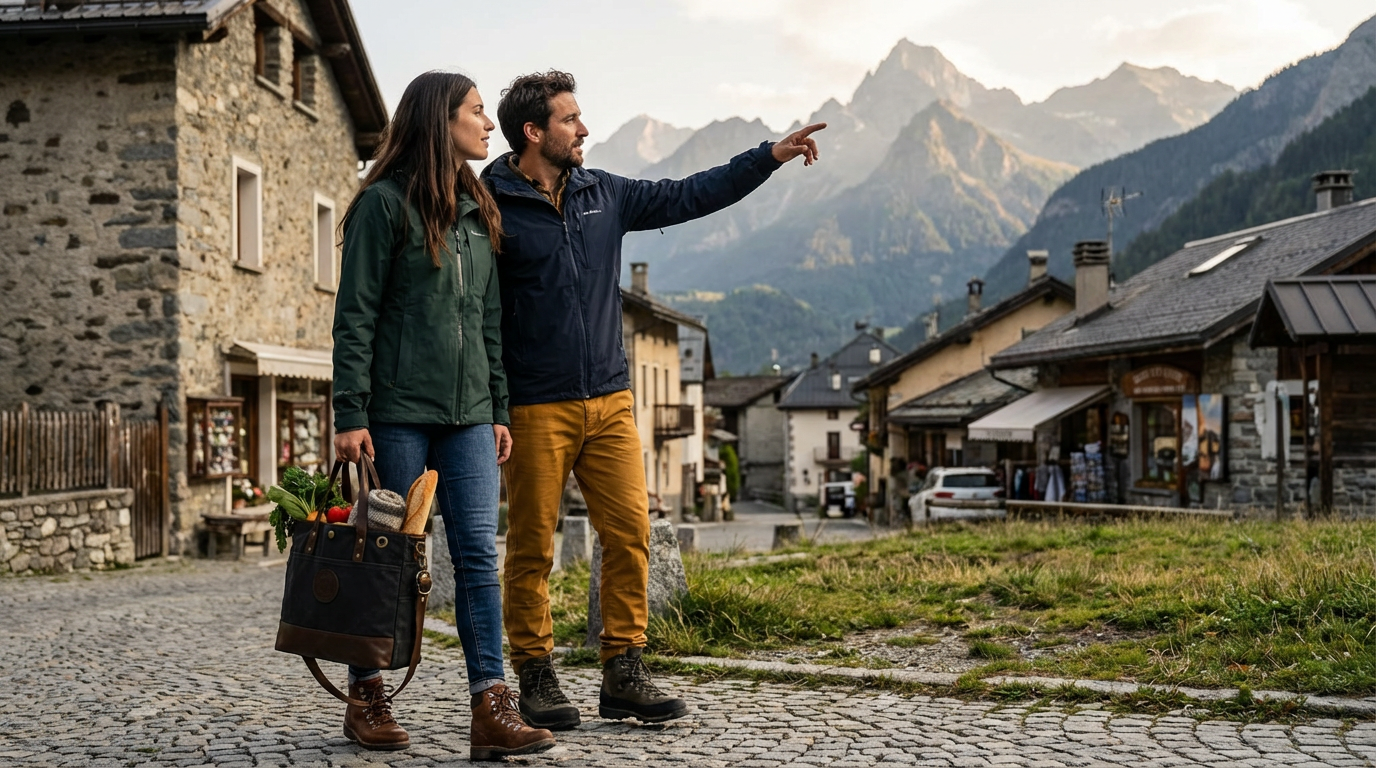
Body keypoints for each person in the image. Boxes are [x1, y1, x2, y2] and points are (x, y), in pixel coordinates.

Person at [482, 70, 824, 730]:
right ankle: (535, 673)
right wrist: (495, 405)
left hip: (611, 400)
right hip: (534, 404)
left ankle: (623, 669)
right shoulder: (489, 204)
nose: (584, 129)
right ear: (533, 132)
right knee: (530, 548)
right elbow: (476, 311)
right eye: (570, 119)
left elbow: (689, 194)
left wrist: (768, 157)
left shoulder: (603, 193)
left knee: (630, 533)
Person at [331, 71, 555, 761]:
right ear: (440, 120)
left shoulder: (477, 211)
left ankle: (491, 707)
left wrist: (497, 407)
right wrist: (350, 411)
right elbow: (355, 315)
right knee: (390, 557)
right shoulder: (382, 206)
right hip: (396, 413)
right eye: (477, 112)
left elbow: (487, 321)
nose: (488, 125)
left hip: (470, 419)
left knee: (478, 557)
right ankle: (367, 694)